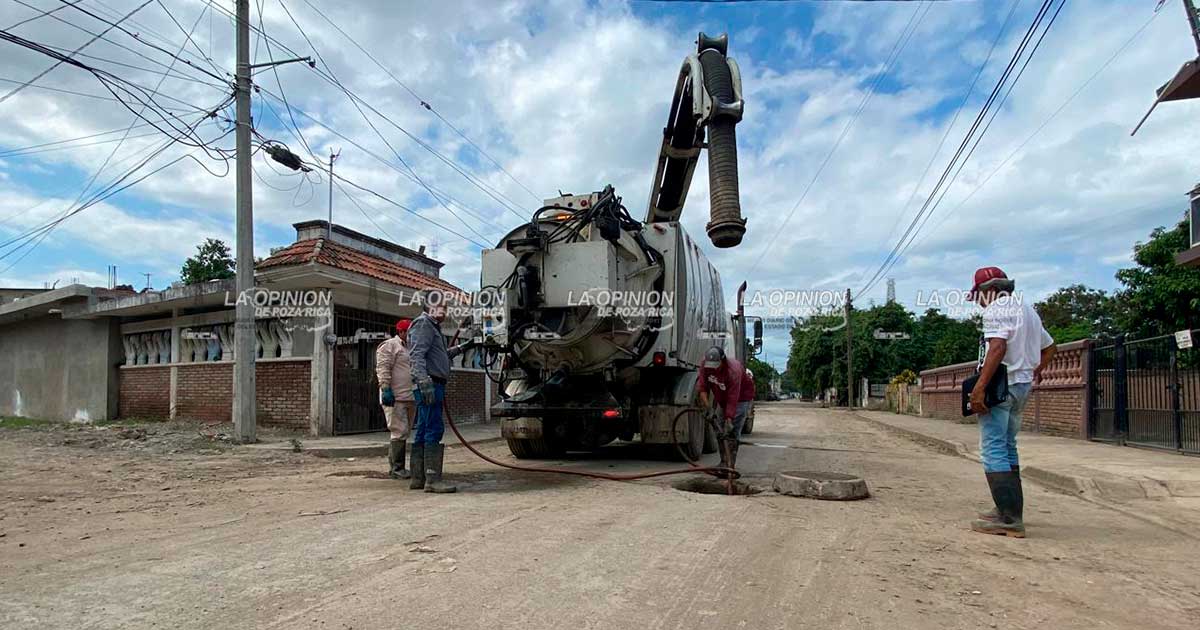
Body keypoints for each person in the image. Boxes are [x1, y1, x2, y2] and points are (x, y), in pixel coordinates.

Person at [968, 266, 1057, 538]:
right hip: (1022, 386)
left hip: (1002, 387)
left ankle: (1009, 519)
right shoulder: (1028, 310)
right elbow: (1050, 347)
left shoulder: (996, 310)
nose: (979, 302)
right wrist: (1035, 370)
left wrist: (979, 388)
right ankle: (1007, 510)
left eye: (979, 296)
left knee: (993, 447)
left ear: (989, 291)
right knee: (1008, 445)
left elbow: (997, 348)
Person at [406, 293, 475, 493]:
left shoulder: (432, 327)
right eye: (441, 307)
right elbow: (416, 355)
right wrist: (424, 381)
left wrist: (465, 346)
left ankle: (418, 478)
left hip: (431, 383)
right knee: (433, 428)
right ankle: (432, 480)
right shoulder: (423, 324)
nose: (444, 311)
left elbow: (442, 355)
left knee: (423, 429)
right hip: (429, 385)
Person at [696, 346, 754, 473]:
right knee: (719, 429)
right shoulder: (705, 365)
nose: (713, 368)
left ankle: (730, 465)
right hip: (722, 398)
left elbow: (733, 398)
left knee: (731, 431)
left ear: (723, 361)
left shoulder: (734, 370)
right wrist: (708, 408)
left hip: (741, 398)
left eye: (716, 365)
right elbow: (702, 388)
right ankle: (723, 462)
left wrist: (729, 419)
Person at [376, 319, 414, 480]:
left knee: (405, 431)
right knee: (399, 430)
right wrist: (385, 388)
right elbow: (383, 366)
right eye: (409, 332)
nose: (412, 335)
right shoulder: (390, 346)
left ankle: (398, 466)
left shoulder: (412, 347)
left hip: (410, 396)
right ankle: (396, 468)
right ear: (401, 332)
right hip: (395, 397)